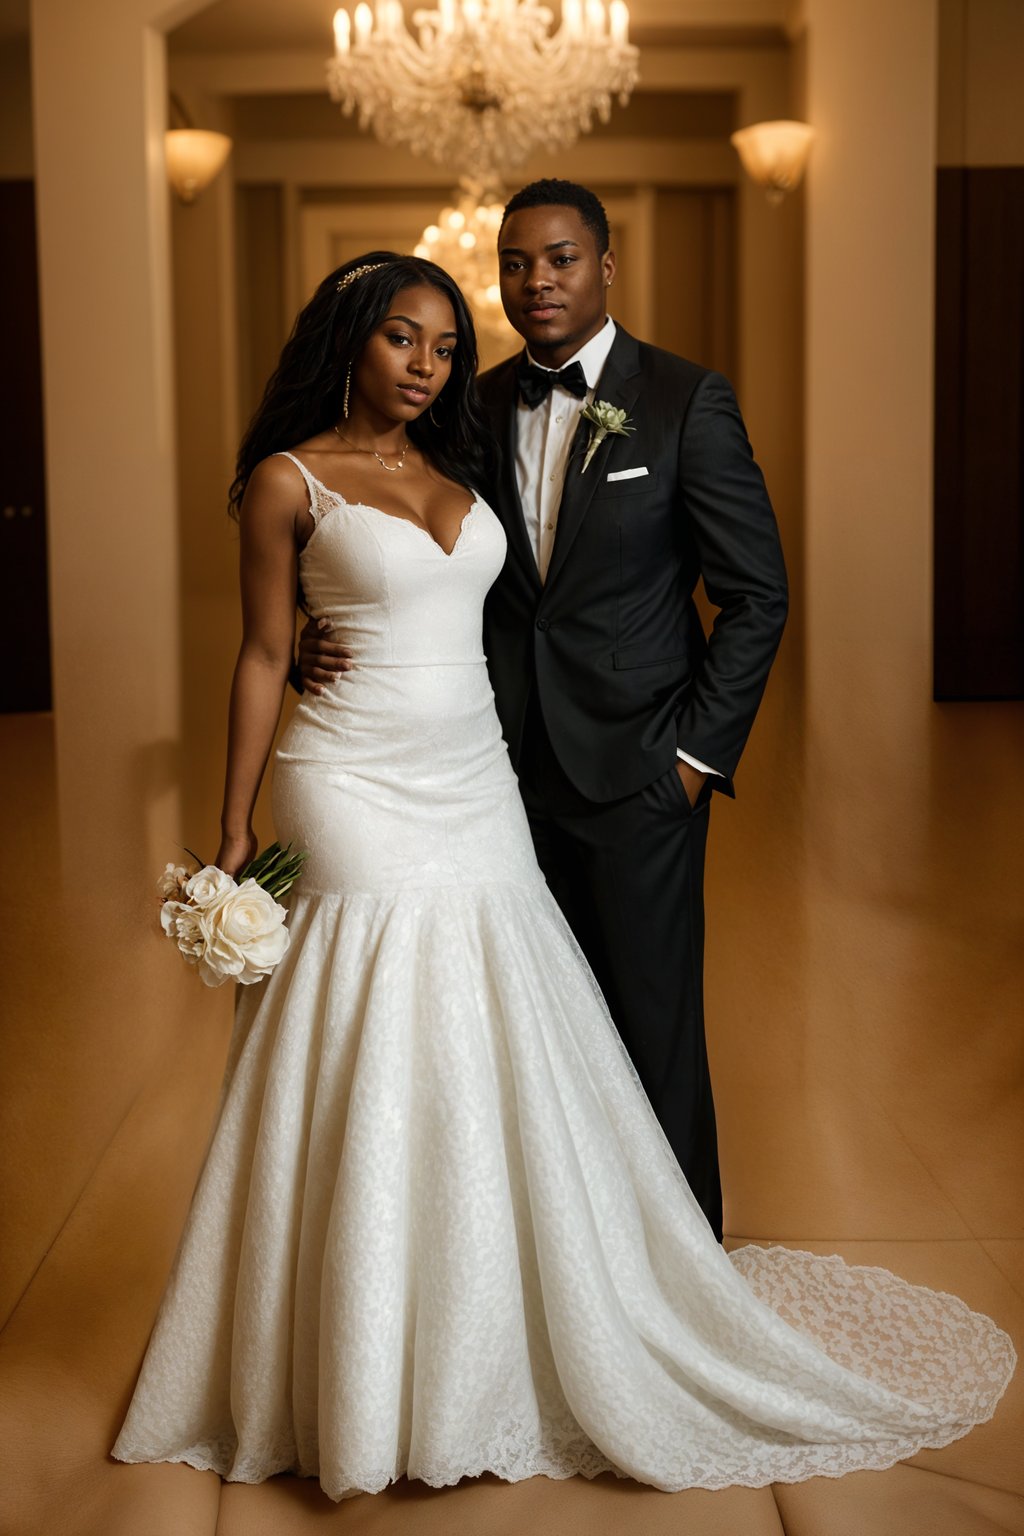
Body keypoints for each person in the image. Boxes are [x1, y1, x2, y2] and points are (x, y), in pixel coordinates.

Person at [112, 252, 1013, 1503]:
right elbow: (265, 651)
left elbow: (539, 599)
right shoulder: (286, 478)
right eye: (400, 340)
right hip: (352, 779)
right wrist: (228, 823)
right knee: (372, 1026)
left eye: (441, 342)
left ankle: (489, 1326)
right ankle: (360, 1359)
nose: (426, 363)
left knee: (495, 1033)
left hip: (478, 778)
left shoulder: (464, 455)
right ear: (347, 342)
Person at [299, 181, 788, 1243]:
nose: (536, 282)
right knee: (531, 1044)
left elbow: (757, 592)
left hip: (640, 769)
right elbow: (400, 539)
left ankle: (684, 1275)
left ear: (604, 268)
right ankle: (564, 1277)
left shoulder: (683, 400)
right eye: (516, 264)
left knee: (652, 1034)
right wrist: (317, 628)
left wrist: (695, 759)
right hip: (491, 779)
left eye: (559, 260)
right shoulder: (470, 404)